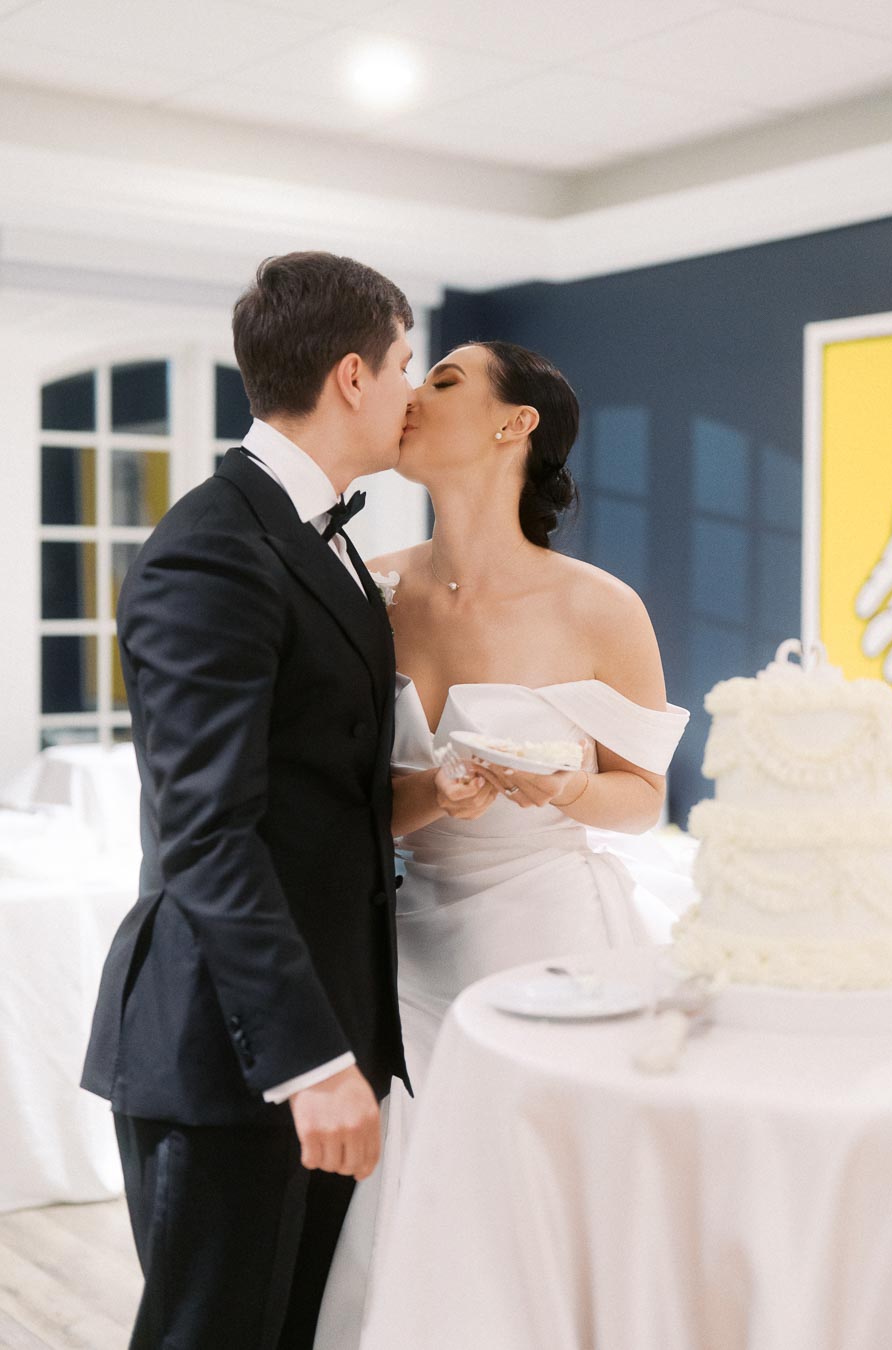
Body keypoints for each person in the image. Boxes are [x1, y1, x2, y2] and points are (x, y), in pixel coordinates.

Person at [313, 340, 690, 1348]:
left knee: (540, 1198)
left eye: (440, 381)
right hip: (401, 956)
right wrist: (433, 794)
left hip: (548, 943)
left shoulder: (601, 606)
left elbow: (641, 798)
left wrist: (568, 785)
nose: (409, 397)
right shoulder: (365, 590)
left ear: (512, 425)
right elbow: (348, 808)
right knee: (411, 1199)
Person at [81, 251, 415, 1350]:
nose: (412, 391)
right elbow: (208, 834)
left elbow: (318, 781)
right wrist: (312, 1063)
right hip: (236, 1052)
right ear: (355, 376)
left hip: (314, 1026)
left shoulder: (320, 536)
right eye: (408, 365)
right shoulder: (215, 549)